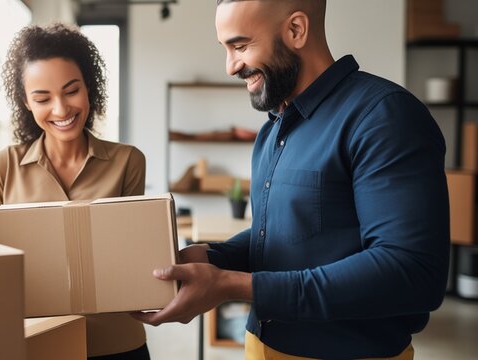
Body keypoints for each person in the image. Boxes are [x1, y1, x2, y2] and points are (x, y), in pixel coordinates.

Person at [133, 1, 450, 359]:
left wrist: (233, 285)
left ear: (296, 30)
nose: (230, 66)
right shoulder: (274, 128)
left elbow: (410, 272)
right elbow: (286, 232)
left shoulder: (384, 116)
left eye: (240, 46)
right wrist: (212, 257)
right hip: (260, 347)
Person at [0, 24, 150, 359]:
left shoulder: (128, 161)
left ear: (89, 88)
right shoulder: (3, 166)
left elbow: (131, 255)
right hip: (34, 340)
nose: (61, 109)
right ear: (26, 102)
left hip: (117, 342)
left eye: (71, 91)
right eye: (42, 98)